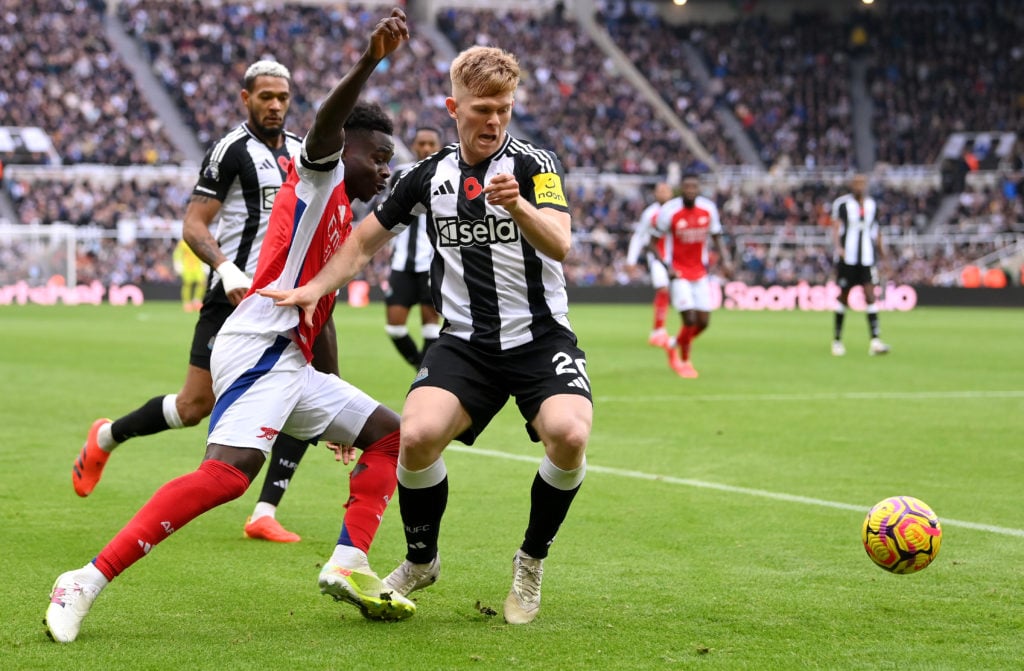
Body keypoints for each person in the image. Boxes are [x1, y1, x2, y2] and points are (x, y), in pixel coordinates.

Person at [45, 10, 414, 644]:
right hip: (258, 343)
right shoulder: (318, 175)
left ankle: (349, 563)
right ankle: (83, 578)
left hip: (291, 357)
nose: (384, 170)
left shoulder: (347, 222)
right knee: (227, 475)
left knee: (385, 436)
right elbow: (327, 122)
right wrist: (369, 61)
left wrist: (334, 403)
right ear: (344, 148)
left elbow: (319, 320)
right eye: (377, 157)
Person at [260, 45, 592, 625]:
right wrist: (313, 289)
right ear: (454, 107)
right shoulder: (427, 176)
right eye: (483, 108)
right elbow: (363, 241)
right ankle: (421, 560)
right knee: (415, 437)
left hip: (541, 337)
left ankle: (531, 560)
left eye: (505, 109)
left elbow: (561, 244)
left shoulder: (536, 164)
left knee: (567, 435)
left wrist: (520, 209)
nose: (494, 121)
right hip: (465, 341)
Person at [72, 59, 322, 543]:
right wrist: (227, 269)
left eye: (282, 97)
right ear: (245, 98)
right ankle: (106, 436)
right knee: (193, 407)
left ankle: (265, 511)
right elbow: (194, 224)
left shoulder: (302, 152)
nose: (275, 105)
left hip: (287, 300)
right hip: (231, 298)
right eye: (265, 96)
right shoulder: (229, 150)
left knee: (303, 390)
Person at [650, 172, 733, 379]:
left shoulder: (708, 209)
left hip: (700, 272)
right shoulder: (670, 211)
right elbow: (652, 243)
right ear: (681, 189)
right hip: (678, 273)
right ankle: (685, 361)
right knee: (689, 319)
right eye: (686, 187)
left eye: (693, 187)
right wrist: (665, 266)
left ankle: (673, 345)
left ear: (698, 189)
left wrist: (727, 260)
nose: (690, 191)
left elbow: (717, 237)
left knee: (703, 323)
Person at [382, 126, 443, 367]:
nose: (426, 148)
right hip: (402, 263)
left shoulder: (449, 173)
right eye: (422, 143)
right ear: (414, 146)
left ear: (438, 146)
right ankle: (422, 368)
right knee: (395, 327)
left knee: (431, 326)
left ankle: (425, 375)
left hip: (432, 262)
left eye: (431, 143)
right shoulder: (399, 175)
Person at [830, 173, 890, 356]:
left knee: (870, 295)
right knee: (844, 296)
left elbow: (876, 232)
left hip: (867, 258)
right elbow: (835, 228)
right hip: (848, 259)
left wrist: (884, 257)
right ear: (851, 185)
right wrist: (838, 248)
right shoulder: (842, 204)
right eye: (856, 183)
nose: (859, 186)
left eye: (862, 183)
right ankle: (837, 341)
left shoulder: (872, 205)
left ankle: (875, 341)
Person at [625, 181, 674, 348]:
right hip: (658, 257)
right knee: (663, 289)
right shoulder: (650, 213)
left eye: (666, 190)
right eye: (660, 191)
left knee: (676, 294)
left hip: (679, 258)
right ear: (655, 194)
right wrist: (631, 260)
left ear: (671, 193)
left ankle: (670, 330)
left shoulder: (677, 210)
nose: (663, 193)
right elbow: (639, 236)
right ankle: (658, 331)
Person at [172, 238, 207, 312]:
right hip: (187, 267)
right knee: (187, 284)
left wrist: (205, 263)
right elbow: (177, 253)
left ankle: (197, 301)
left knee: (202, 283)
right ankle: (187, 303)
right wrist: (178, 264)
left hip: (198, 266)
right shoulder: (183, 242)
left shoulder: (200, 241)